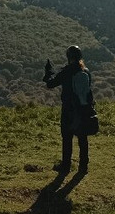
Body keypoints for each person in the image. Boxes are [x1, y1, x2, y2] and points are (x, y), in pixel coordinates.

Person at [44, 45, 93, 175]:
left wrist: (48, 72)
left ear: (68, 57)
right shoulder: (86, 71)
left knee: (67, 138)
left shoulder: (66, 72)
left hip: (68, 110)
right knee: (82, 138)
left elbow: (50, 84)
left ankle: (66, 166)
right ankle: (83, 167)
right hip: (83, 109)